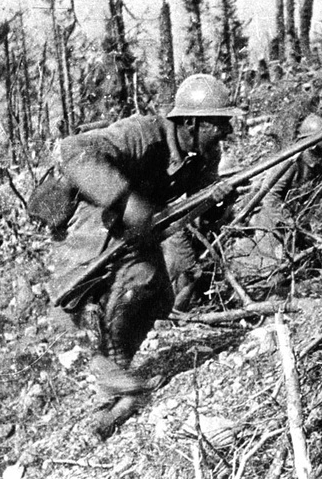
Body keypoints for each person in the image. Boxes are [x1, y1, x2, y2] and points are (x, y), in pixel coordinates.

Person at [46, 73, 240, 439]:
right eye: (219, 123)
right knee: (80, 304)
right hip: (94, 222)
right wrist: (126, 200)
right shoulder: (143, 134)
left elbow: (201, 202)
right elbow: (74, 151)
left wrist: (218, 200)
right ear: (192, 123)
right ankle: (114, 378)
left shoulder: (204, 152)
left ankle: (120, 384)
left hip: (139, 229)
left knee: (155, 295)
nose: (225, 132)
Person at [224, 113, 322, 295]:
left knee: (305, 262)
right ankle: (267, 304)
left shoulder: (318, 165)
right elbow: (270, 196)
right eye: (319, 147)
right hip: (270, 219)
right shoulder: (291, 163)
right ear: (311, 143)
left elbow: (320, 195)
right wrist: (287, 221)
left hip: (294, 220)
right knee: (274, 267)